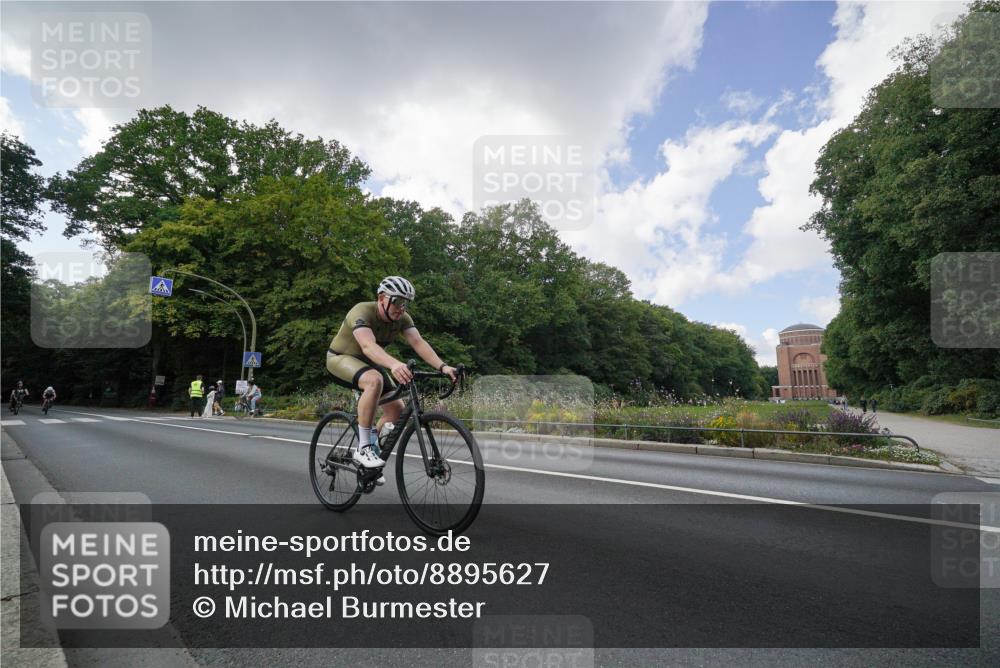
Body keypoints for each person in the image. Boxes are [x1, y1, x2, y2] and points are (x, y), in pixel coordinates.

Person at [326, 276, 458, 484]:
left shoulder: (402, 319)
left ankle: (372, 451)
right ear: (382, 298)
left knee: (397, 409)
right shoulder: (362, 311)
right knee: (374, 380)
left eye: (406, 303)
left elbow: (418, 342)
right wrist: (395, 364)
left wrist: (443, 366)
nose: (401, 308)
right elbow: (368, 346)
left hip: (370, 363)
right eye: (397, 301)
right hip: (341, 358)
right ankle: (363, 448)